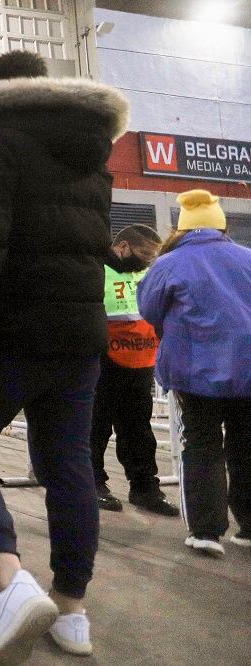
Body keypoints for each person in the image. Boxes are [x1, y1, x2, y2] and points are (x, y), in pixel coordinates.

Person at [0, 51, 129, 663]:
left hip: (6, 332)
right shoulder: (94, 157)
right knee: (67, 463)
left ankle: (11, 582)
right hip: (77, 337)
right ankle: (72, 613)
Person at [137, 190, 251, 558]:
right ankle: (248, 528)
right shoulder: (248, 258)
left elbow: (149, 309)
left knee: (201, 444)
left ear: (182, 228)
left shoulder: (169, 263)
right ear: (221, 224)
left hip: (195, 370)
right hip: (248, 370)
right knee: (247, 446)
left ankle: (205, 532)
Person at [91, 225, 179, 516]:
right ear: (123, 247)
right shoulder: (98, 270)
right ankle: (93, 483)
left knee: (138, 430)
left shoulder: (147, 272)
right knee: (95, 426)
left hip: (141, 361)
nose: (147, 261)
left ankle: (144, 488)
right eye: (143, 255)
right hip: (103, 360)